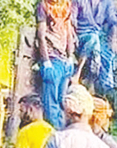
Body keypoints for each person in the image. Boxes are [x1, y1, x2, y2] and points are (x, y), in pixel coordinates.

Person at [37, 0, 76, 129]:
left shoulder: (66, 5)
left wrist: (70, 57)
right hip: (52, 59)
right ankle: (56, 134)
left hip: (63, 60)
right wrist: (46, 61)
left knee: (61, 101)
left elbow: (69, 32)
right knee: (51, 103)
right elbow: (41, 35)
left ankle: (62, 133)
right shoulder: (44, 5)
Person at [71, 0, 117, 95]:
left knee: (107, 51)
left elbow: (113, 22)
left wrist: (113, 40)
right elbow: (71, 21)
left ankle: (107, 87)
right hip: (81, 35)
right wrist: (72, 36)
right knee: (93, 39)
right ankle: (78, 74)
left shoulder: (107, 2)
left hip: (98, 35)